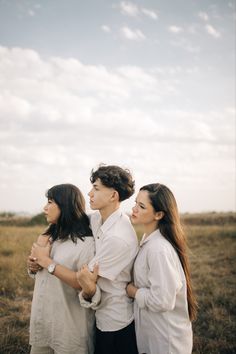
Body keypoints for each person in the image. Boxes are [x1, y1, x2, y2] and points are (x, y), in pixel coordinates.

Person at [126, 183, 198, 354]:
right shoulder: (148, 239)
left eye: (141, 206)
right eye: (136, 203)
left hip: (166, 342)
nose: (134, 209)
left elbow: (162, 301)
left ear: (158, 214)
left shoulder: (159, 249)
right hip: (155, 336)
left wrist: (133, 292)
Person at [77, 164, 139, 354]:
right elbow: (73, 222)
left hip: (115, 322)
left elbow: (85, 277)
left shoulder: (118, 238)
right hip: (100, 314)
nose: (89, 193)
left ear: (114, 196)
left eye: (96, 188)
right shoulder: (98, 219)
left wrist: (48, 264)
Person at [27, 183, 95, 354]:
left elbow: (83, 284)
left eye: (50, 202)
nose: (45, 208)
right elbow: (38, 273)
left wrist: (47, 262)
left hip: (69, 329)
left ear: (65, 205)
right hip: (43, 322)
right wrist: (33, 266)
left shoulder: (86, 243)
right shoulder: (49, 236)